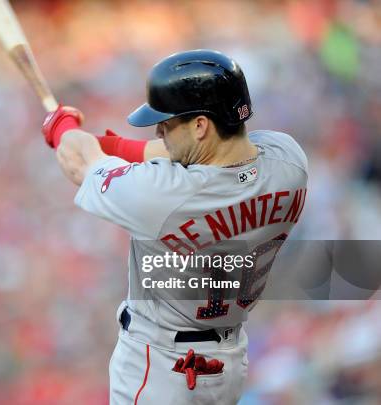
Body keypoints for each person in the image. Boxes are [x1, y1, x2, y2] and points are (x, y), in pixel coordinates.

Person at [41, 49, 308, 404]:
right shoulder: (289, 162)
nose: (159, 130)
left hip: (161, 365)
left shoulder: (162, 195)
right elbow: (223, 151)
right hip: (229, 361)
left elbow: (78, 162)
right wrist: (117, 147)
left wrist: (64, 128)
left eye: (167, 123)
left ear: (200, 125)